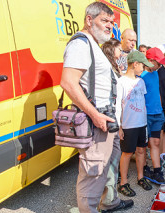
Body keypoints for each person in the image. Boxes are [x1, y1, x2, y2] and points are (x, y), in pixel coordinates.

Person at [60, 2, 133, 212]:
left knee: (108, 164)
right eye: (104, 21)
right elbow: (68, 82)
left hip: (107, 120)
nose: (110, 26)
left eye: (111, 22)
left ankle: (109, 201)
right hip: (97, 122)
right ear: (89, 20)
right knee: (93, 172)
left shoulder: (94, 44)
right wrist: (95, 115)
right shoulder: (80, 44)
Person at [117, 51, 154, 197]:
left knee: (141, 150)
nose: (144, 69)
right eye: (143, 66)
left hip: (141, 123)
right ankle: (123, 183)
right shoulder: (121, 82)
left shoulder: (141, 81)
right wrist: (119, 126)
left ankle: (140, 177)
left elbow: (142, 100)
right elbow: (117, 105)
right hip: (128, 124)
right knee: (127, 153)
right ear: (135, 64)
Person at [140, 47, 165, 184]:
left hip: (158, 114)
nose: (161, 65)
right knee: (144, 145)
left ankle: (157, 171)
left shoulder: (156, 74)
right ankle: (145, 167)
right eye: (159, 63)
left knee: (156, 142)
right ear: (150, 61)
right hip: (146, 115)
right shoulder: (141, 76)